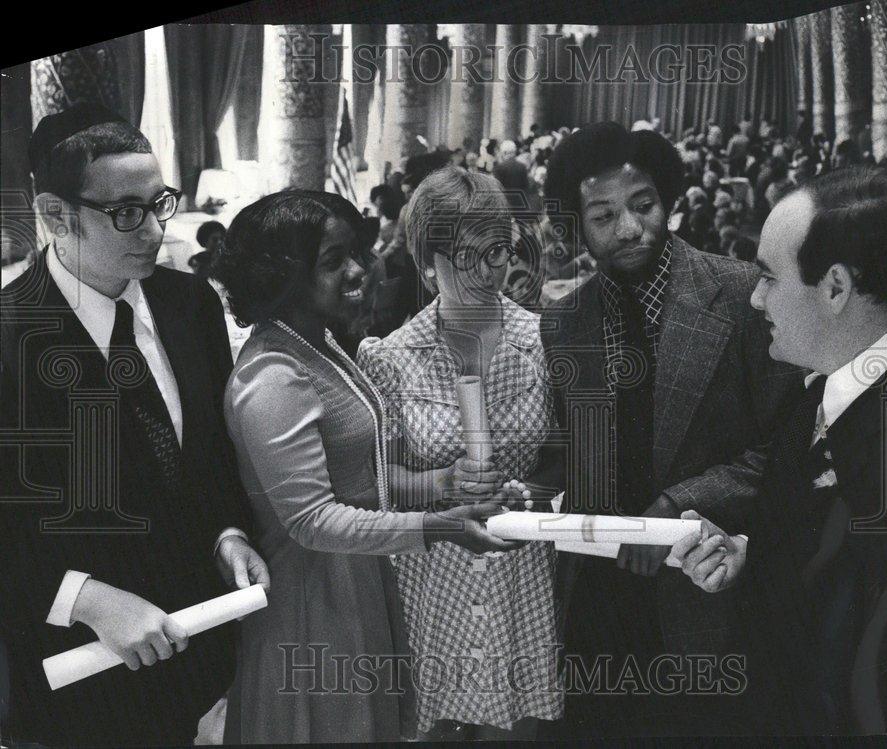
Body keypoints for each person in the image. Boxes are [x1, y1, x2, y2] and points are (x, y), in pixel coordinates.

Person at [673, 166, 887, 734]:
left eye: (769, 277)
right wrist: (756, 560)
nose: (754, 298)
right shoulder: (835, 375)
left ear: (835, 287)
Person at [211, 190, 522, 744]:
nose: (359, 270)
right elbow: (313, 521)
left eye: (357, 252)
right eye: (333, 263)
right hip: (312, 594)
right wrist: (443, 526)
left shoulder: (318, 342)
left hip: (356, 572)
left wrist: (443, 484)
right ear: (281, 277)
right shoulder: (272, 376)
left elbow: (360, 482)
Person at [0, 103, 266, 747]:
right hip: (76, 663)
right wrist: (86, 598)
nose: (152, 230)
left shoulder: (190, 303)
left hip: (195, 642)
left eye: (159, 203)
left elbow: (208, 455)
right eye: (125, 212)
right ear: (55, 217)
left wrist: (228, 532)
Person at [538, 121, 799, 739]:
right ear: (578, 227)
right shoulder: (565, 319)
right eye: (603, 216)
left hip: (705, 584)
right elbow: (568, 454)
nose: (629, 228)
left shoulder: (740, 296)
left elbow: (782, 445)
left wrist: (674, 508)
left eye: (643, 205)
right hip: (597, 600)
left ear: (669, 201)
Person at [357, 166, 562, 740]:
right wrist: (443, 481)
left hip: (518, 567)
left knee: (514, 729)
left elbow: (559, 458)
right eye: (463, 255)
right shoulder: (391, 358)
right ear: (426, 264)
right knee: (435, 728)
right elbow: (379, 479)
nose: (486, 270)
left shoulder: (541, 341)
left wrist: (532, 493)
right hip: (432, 571)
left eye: (496, 250)